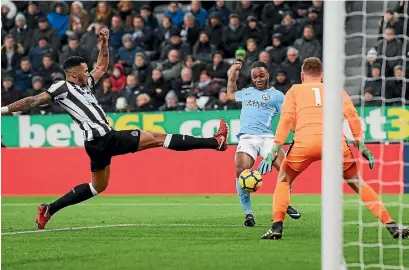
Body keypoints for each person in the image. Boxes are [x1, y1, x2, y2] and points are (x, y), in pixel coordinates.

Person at [0, 27, 229, 230]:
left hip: (97, 143)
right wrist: (3, 110)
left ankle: (49, 209)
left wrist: (104, 45)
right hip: (103, 138)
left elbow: (102, 66)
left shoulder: (86, 84)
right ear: (72, 74)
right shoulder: (62, 87)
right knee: (158, 138)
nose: (88, 72)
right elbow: (32, 100)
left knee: (98, 186)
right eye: (84, 69)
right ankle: (215, 142)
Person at [258, 57, 409, 240]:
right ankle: (391, 225)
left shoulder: (295, 90)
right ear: (322, 75)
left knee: (284, 179)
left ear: (302, 75)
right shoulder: (336, 90)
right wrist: (360, 144)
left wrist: (275, 148)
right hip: (335, 143)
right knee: (357, 182)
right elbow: (352, 115)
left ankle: (276, 227)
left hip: (304, 143)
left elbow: (286, 119)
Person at [226, 60, 301, 227]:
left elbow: (287, 118)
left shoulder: (277, 96)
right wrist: (231, 76)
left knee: (285, 168)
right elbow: (231, 95)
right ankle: (248, 214)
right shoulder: (247, 92)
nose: (258, 79)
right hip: (247, 138)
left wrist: (300, 132)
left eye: (261, 75)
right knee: (240, 168)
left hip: (267, 138)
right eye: (254, 77)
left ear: (268, 74)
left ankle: (284, 202)